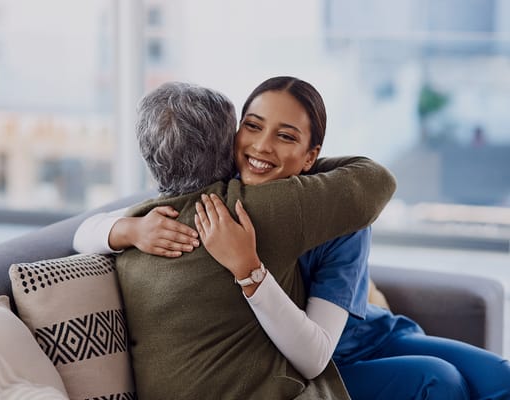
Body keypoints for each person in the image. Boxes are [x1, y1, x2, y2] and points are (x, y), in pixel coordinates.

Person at [75, 77, 510, 399]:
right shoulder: (215, 199)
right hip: (306, 362)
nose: (262, 146)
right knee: (441, 380)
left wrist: (251, 266)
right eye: (252, 126)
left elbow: (370, 180)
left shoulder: (340, 211)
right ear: (231, 136)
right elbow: (86, 230)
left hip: (358, 335)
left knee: (499, 379)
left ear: (312, 156)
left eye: (286, 136)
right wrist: (126, 229)